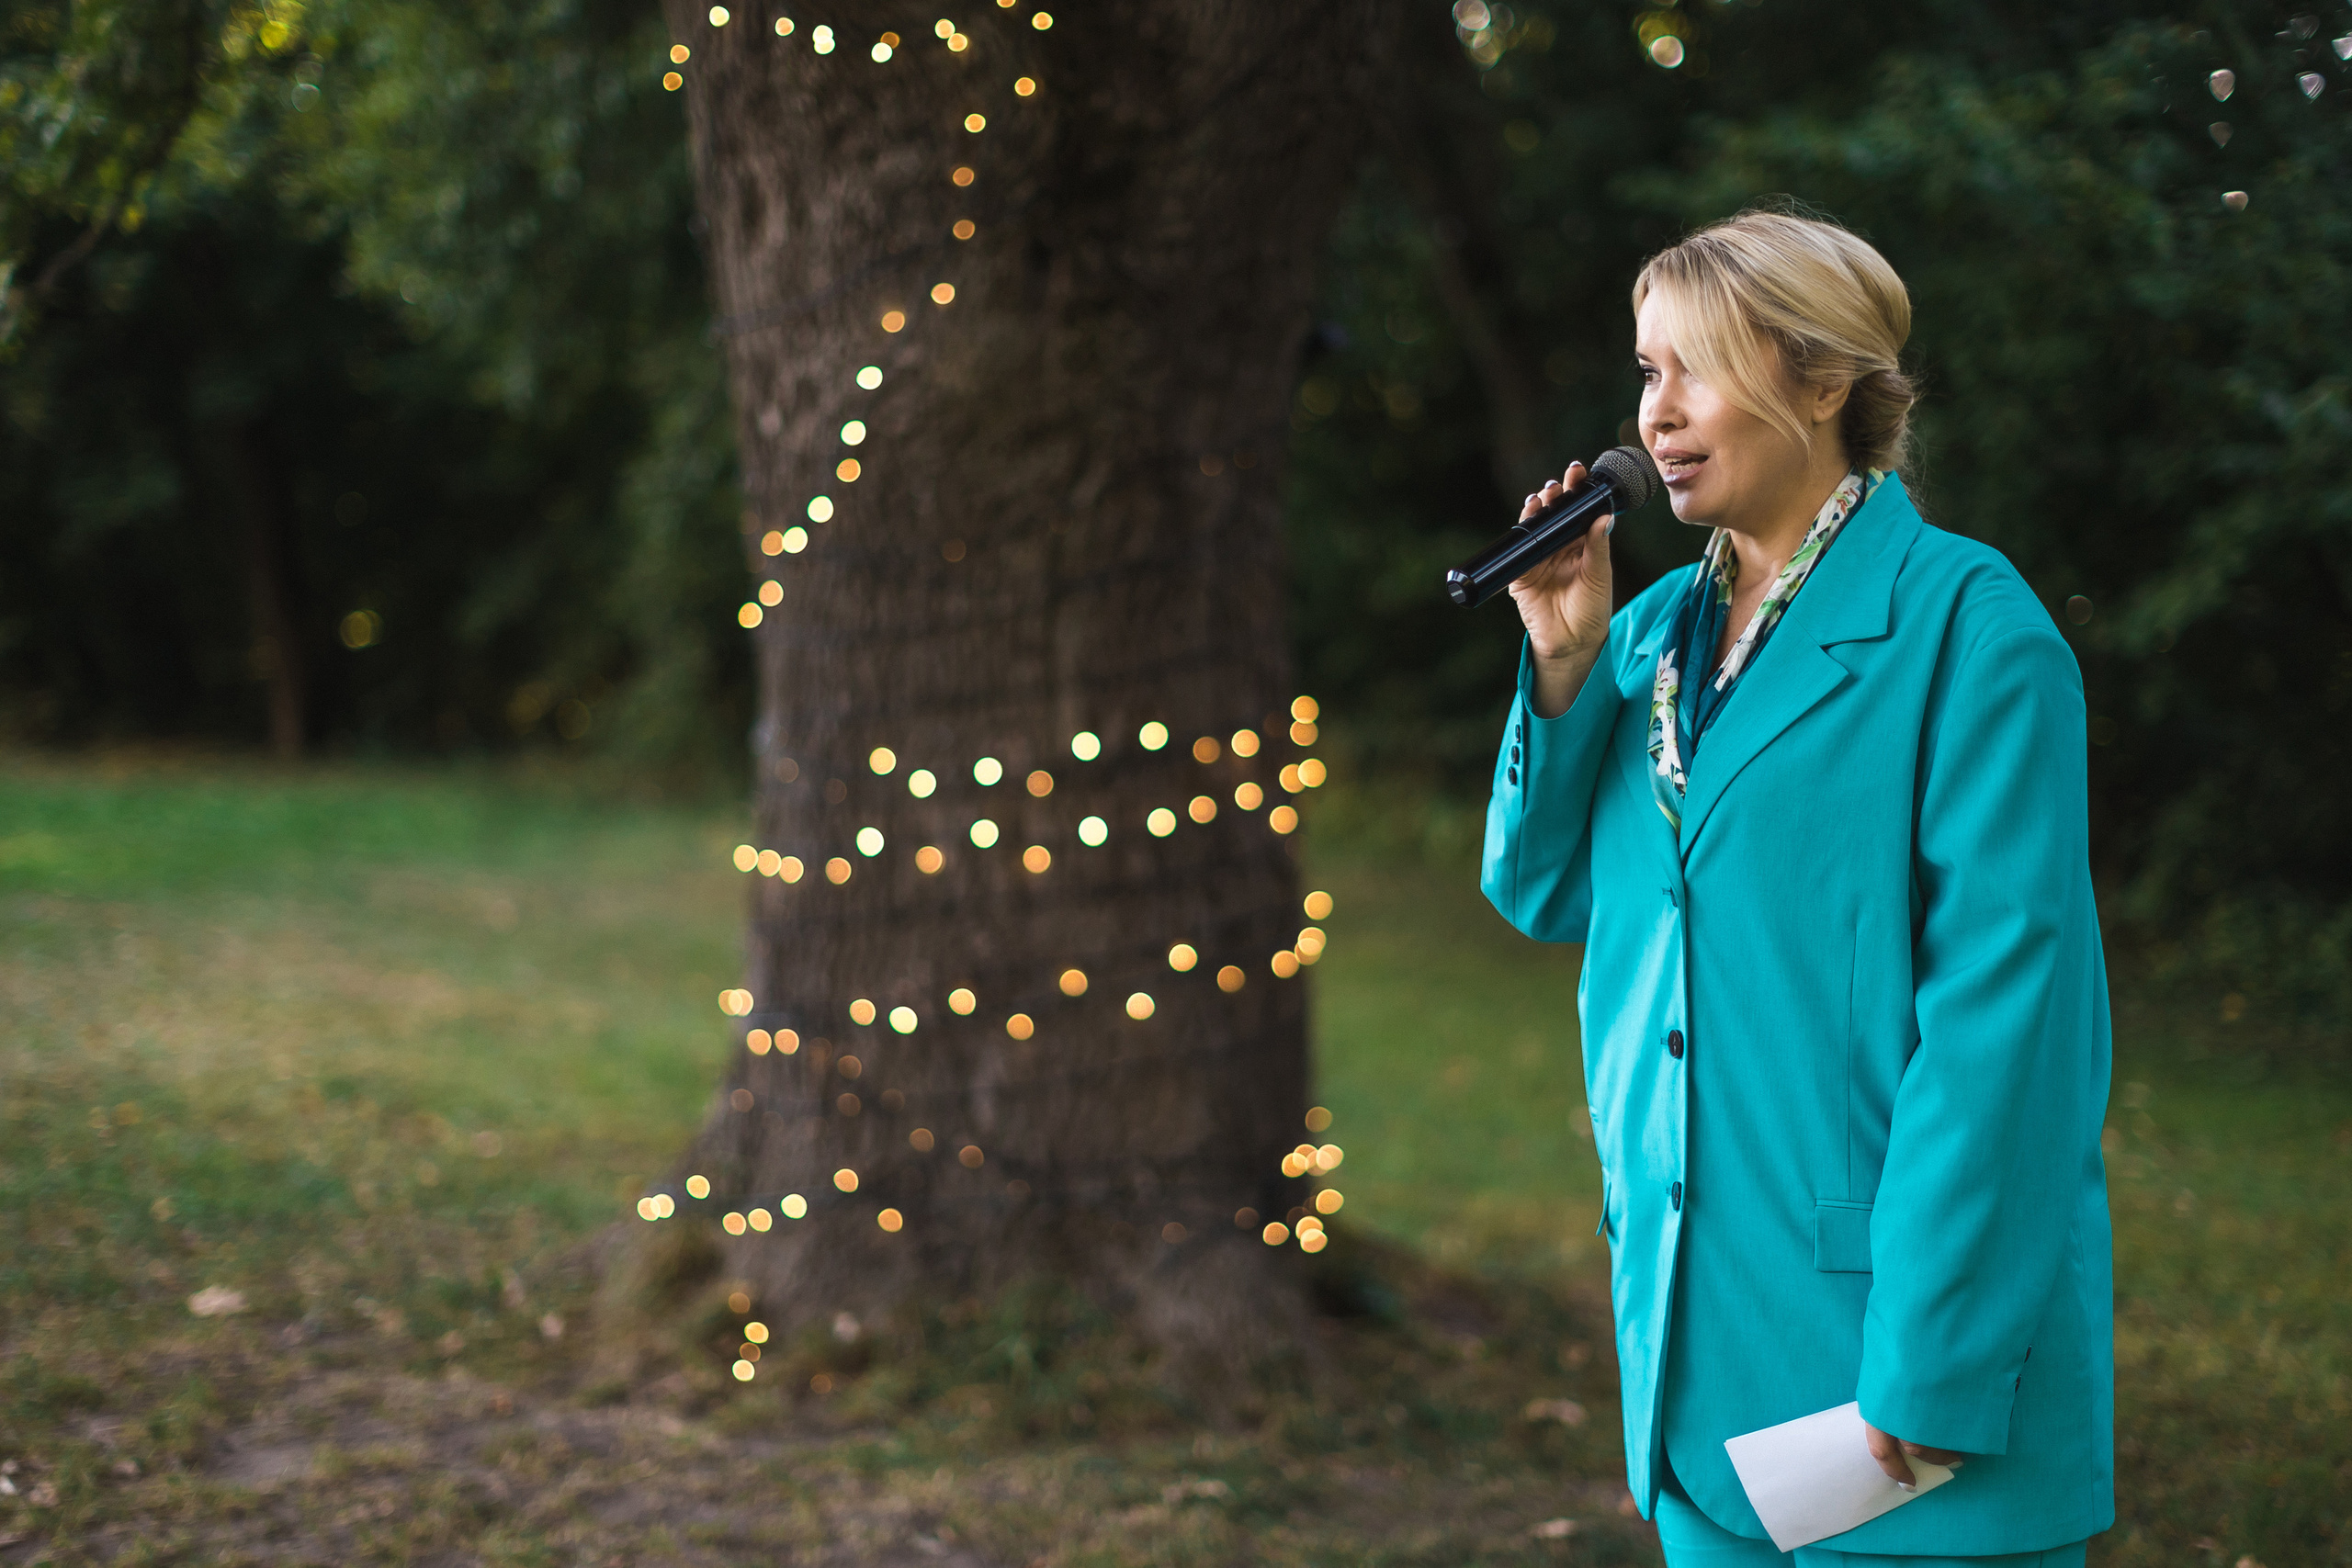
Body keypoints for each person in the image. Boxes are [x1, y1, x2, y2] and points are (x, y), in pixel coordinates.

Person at [1481, 210, 2113, 1566]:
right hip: (1696, 1371)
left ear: (1823, 381)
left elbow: (2009, 1038)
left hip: (1897, 1379)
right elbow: (1539, 891)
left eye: (1695, 368)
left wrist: (1933, 1364)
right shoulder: (1646, 637)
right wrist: (1563, 661)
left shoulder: (1973, 631)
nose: (1656, 415)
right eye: (1646, 372)